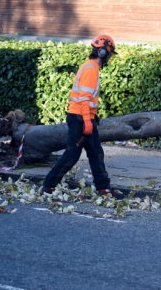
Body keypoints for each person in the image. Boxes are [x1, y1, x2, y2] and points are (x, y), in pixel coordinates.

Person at [42, 34, 125, 200]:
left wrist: (92, 117)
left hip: (84, 117)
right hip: (80, 118)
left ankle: (103, 188)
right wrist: (87, 120)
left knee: (96, 153)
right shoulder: (91, 69)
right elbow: (84, 98)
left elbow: (86, 98)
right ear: (103, 52)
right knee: (72, 155)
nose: (109, 57)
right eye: (109, 53)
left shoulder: (89, 67)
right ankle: (48, 186)